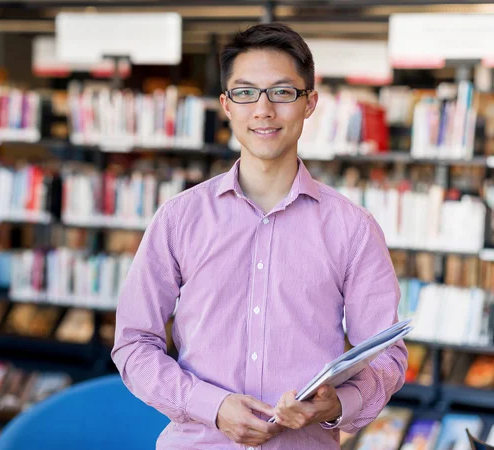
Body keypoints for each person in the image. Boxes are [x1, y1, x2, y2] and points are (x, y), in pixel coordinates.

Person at [111, 22, 408, 450]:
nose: (263, 110)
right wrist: (210, 405)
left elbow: (387, 356)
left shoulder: (353, 230)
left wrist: (334, 404)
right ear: (226, 105)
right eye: (246, 92)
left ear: (309, 103)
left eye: (283, 92)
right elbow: (134, 343)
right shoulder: (179, 218)